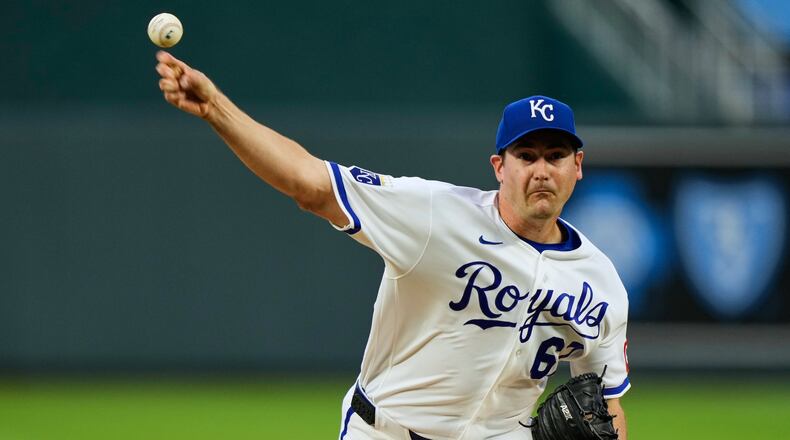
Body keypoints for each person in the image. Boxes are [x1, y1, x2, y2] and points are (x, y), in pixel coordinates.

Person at [155, 50, 630, 440]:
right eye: (526, 156)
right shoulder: (435, 213)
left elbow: (605, 404)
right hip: (387, 432)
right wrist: (217, 108)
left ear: (578, 165)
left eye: (556, 155)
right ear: (499, 167)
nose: (541, 169)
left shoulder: (602, 282)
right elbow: (310, 184)